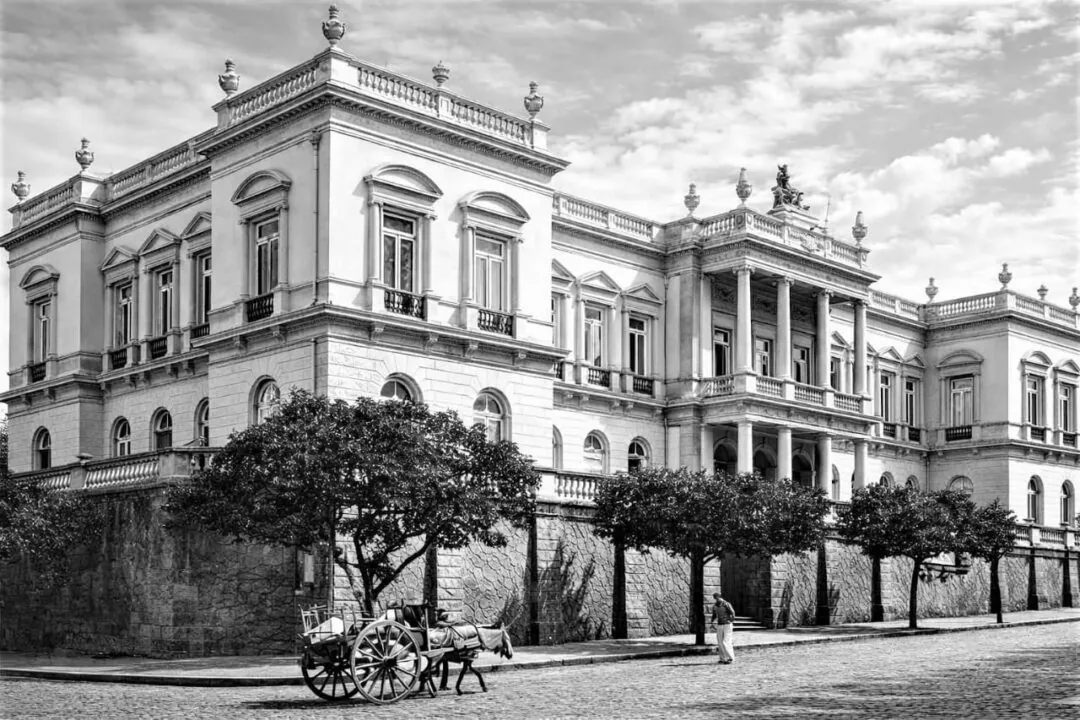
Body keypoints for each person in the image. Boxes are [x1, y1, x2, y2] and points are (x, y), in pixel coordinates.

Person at [710, 592, 735, 664]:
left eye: (716, 597)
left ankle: (730, 658)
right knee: (720, 642)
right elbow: (714, 615)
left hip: (727, 625)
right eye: (714, 597)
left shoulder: (726, 604)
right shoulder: (715, 605)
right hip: (720, 625)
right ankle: (723, 658)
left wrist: (731, 620)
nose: (716, 598)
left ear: (719, 596)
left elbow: (732, 612)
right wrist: (712, 622)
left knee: (726, 641)